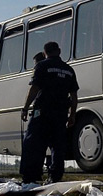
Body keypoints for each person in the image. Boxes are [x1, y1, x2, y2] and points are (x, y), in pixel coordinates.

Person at [20, 41, 78, 184]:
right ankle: (55, 176)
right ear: (59, 51)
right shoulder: (69, 70)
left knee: (33, 143)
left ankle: (31, 176)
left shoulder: (42, 66)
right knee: (57, 146)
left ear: (45, 53)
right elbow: (74, 96)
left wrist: (25, 108)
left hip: (42, 112)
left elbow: (34, 89)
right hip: (60, 113)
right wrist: (72, 115)